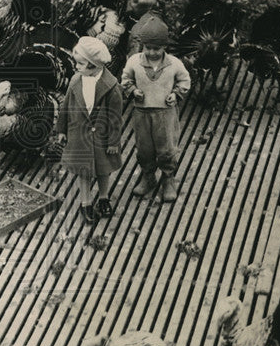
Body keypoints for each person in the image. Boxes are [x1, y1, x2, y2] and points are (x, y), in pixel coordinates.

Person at [121, 14, 191, 202]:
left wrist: (176, 93)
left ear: (164, 47)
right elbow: (126, 79)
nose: (151, 52)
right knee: (144, 148)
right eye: (148, 48)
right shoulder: (134, 61)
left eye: (156, 48)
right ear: (142, 45)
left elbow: (185, 80)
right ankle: (148, 176)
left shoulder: (174, 64)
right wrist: (133, 90)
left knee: (167, 147)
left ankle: (168, 178)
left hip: (165, 113)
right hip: (142, 113)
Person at [55, 36, 124, 225]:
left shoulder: (111, 87)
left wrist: (113, 142)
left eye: (80, 64)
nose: (76, 67)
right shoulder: (76, 81)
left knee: (104, 170)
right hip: (79, 136)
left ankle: (103, 198)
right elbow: (66, 107)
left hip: (102, 138)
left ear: (94, 65)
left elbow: (115, 118)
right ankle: (85, 203)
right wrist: (61, 130)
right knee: (83, 171)